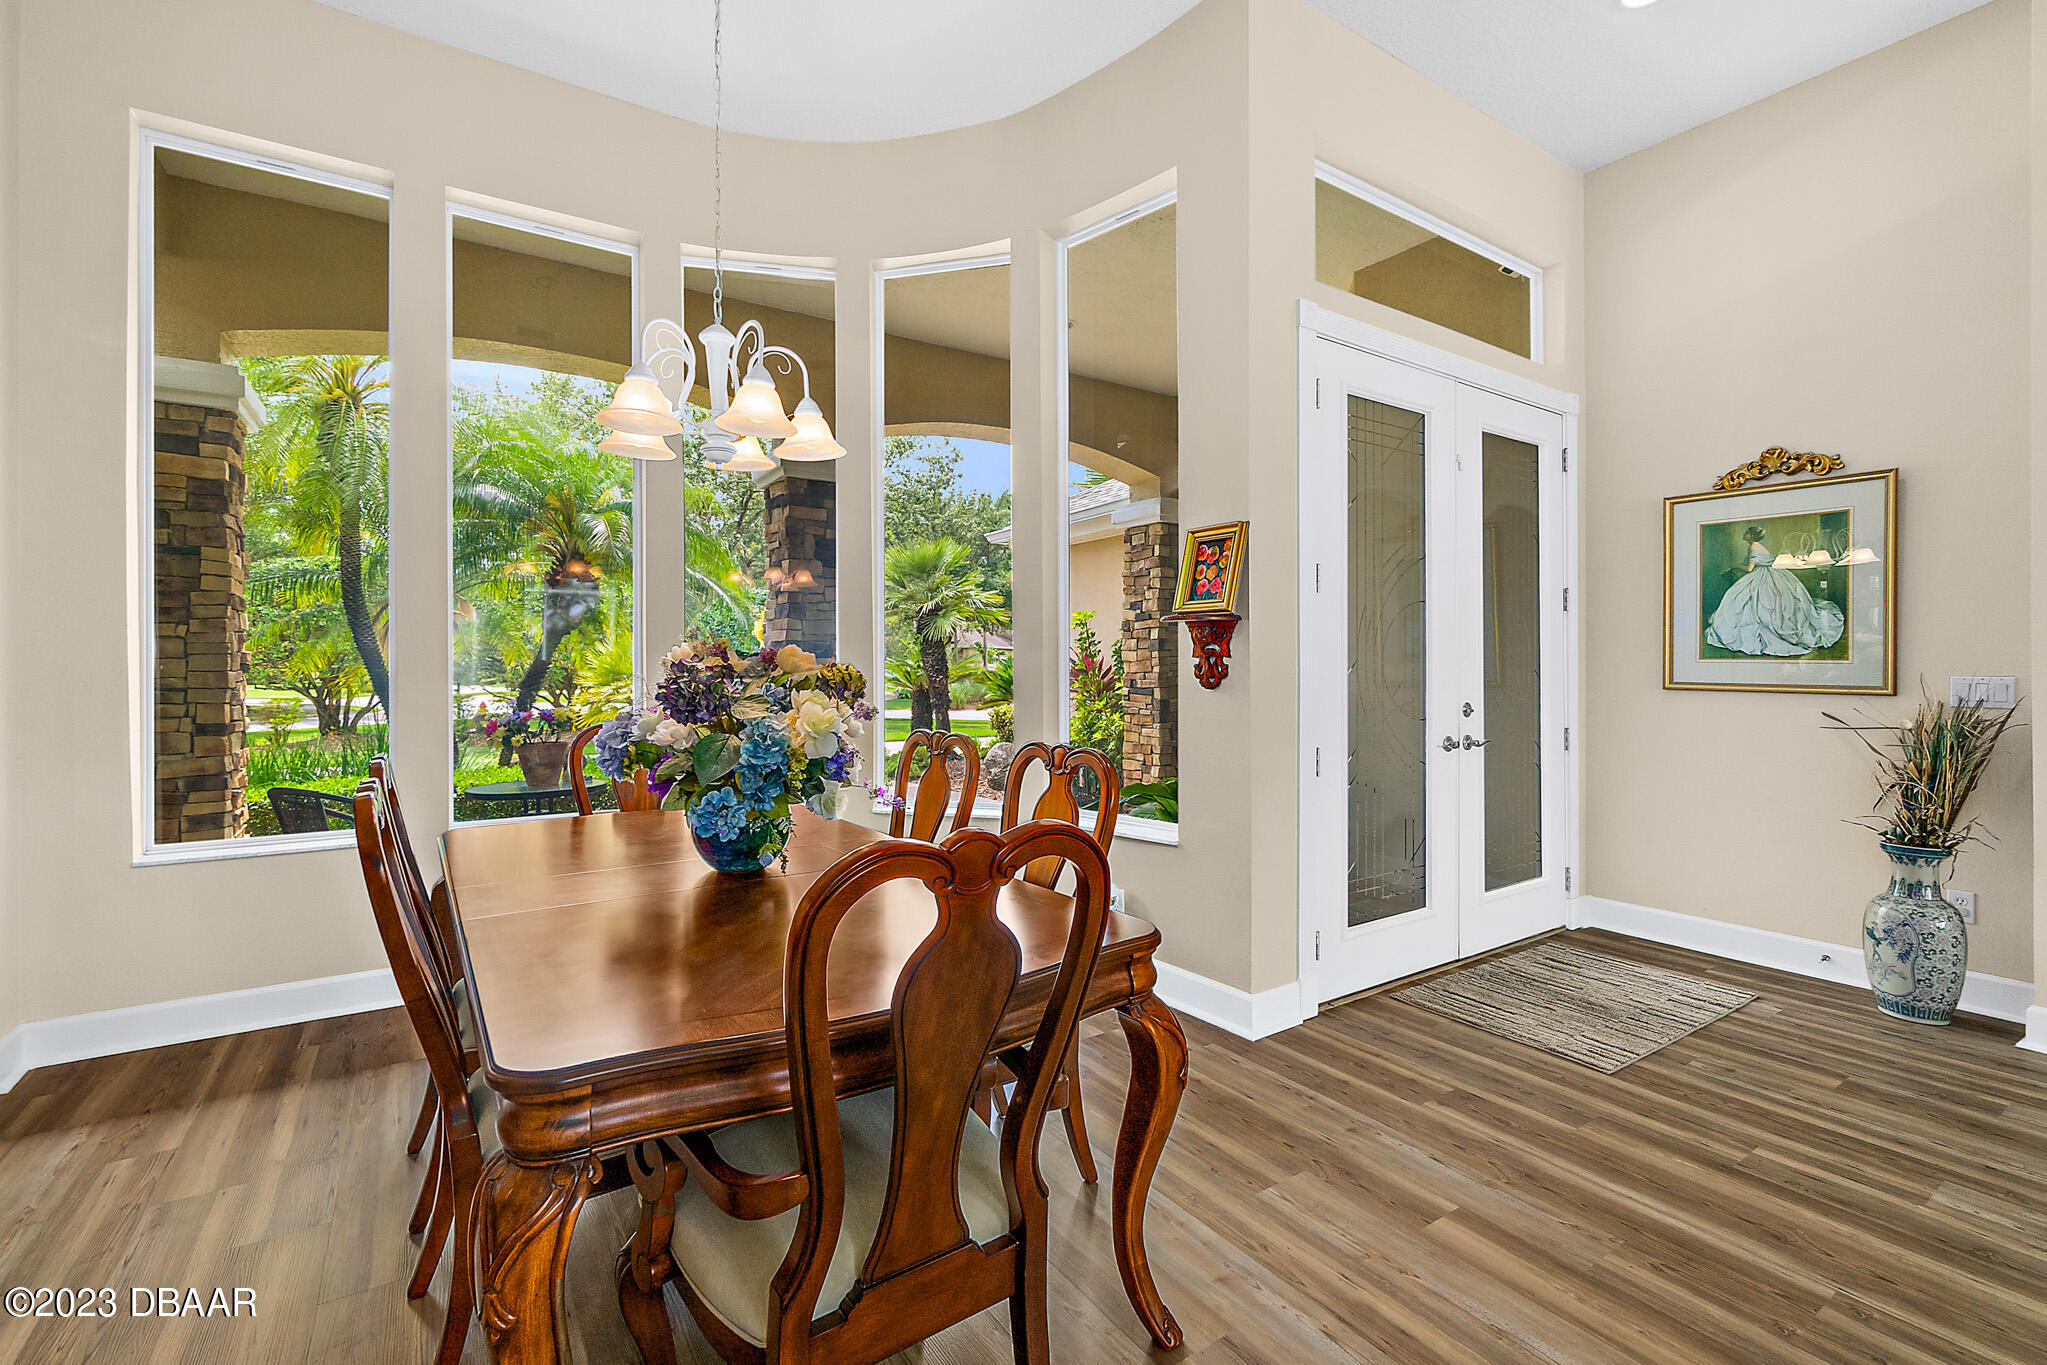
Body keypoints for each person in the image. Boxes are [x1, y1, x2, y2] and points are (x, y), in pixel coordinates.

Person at [1704, 525, 1845, 657]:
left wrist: (1733, 567)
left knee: (1752, 603)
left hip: (1762, 576)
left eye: (1747, 533)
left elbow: (1750, 569)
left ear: (1751, 535)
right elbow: (1757, 562)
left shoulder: (1753, 546)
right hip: (1774, 574)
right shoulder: (1759, 546)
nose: (1744, 534)